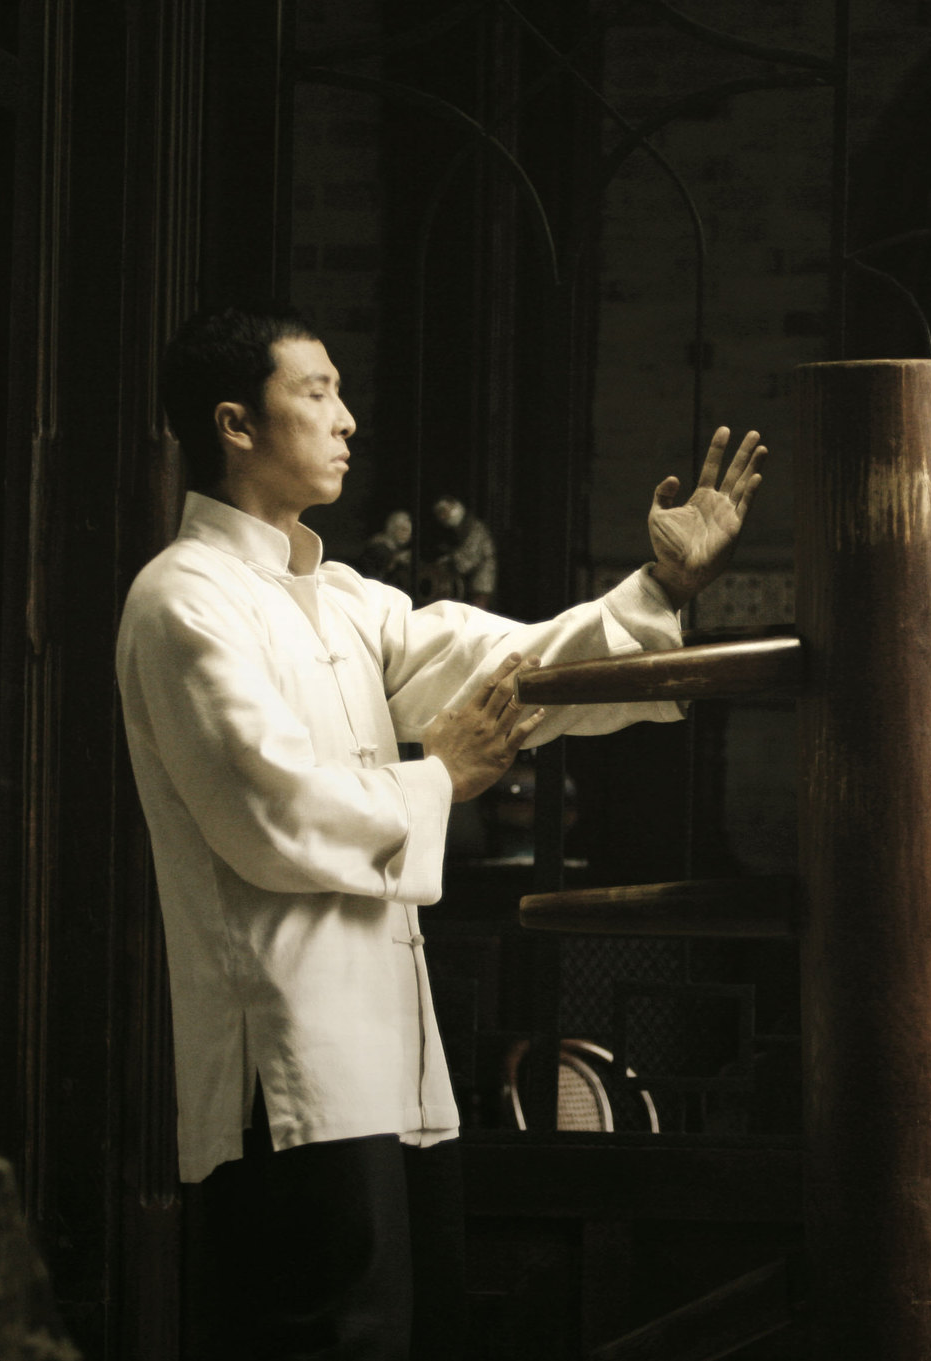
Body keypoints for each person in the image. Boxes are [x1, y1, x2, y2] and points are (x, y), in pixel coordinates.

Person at [115, 303, 765, 1360]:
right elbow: (268, 811)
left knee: (409, 1334)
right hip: (287, 1070)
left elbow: (508, 667)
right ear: (234, 423)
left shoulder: (340, 599)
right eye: (316, 392)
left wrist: (661, 588)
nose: (347, 419)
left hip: (391, 1066)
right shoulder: (182, 599)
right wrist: (438, 777)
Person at [429, 495, 497, 609]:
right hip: (468, 581)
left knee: (478, 610)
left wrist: (450, 559)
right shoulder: (459, 528)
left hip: (481, 579)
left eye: (444, 512)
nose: (442, 517)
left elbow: (470, 555)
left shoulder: (473, 527)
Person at [359, 507, 412, 580]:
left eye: (410, 532)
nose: (407, 535)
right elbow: (374, 576)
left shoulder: (395, 549)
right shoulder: (378, 549)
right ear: (392, 528)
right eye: (403, 530)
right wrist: (395, 560)